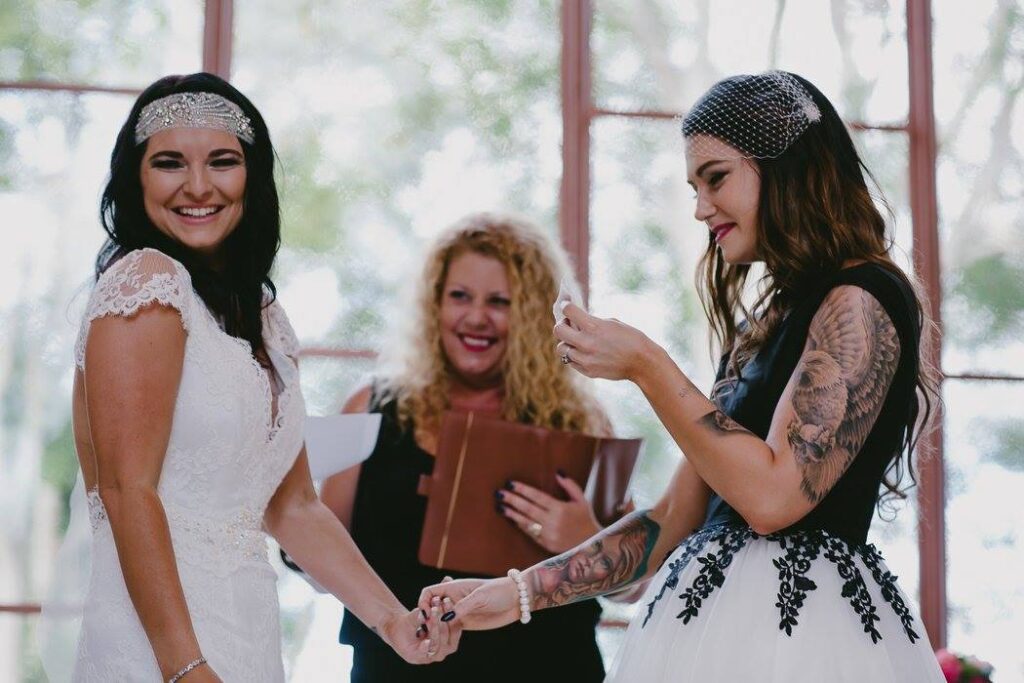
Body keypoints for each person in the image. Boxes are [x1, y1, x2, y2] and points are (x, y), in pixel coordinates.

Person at [421, 71, 947, 682]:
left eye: (716, 178)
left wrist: (647, 365)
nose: (701, 209)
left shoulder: (862, 300)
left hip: (806, 640)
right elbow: (670, 519)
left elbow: (774, 500)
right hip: (704, 629)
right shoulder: (769, 323)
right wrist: (514, 594)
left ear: (788, 164)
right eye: (695, 187)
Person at [62, 72, 457, 682]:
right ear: (135, 178)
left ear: (253, 177)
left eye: (223, 161)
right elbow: (126, 491)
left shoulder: (265, 319)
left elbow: (294, 506)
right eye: (169, 163)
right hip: (160, 646)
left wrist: (392, 620)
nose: (198, 186)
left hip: (246, 631)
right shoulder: (145, 284)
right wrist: (186, 668)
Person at [320, 213, 621, 682]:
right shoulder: (368, 407)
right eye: (460, 296)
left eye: (500, 301)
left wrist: (588, 540)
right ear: (433, 303)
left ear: (530, 314)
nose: (476, 317)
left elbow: (632, 587)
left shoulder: (584, 422)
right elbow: (313, 556)